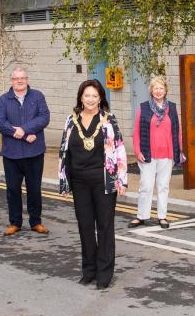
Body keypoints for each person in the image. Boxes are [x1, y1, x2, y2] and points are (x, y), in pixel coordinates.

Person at [58, 79, 127, 289]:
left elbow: (119, 149)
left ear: (100, 99)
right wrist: (64, 182)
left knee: (105, 227)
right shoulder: (71, 120)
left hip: (103, 181)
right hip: (79, 182)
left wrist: (121, 180)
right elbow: (64, 152)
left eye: (94, 96)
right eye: (87, 95)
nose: (90, 100)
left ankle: (104, 274)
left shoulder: (109, 119)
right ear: (81, 97)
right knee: (85, 226)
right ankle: (89, 271)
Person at [0, 67, 51, 236]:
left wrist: (24, 129)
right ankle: (15, 222)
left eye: (22, 78)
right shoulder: (3, 100)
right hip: (11, 154)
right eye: (16, 78)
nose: (19, 81)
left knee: (34, 188)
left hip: (34, 152)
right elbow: (1, 123)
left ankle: (36, 222)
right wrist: (22, 135)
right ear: (11, 81)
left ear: (27, 79)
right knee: (13, 189)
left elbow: (44, 117)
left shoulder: (37, 96)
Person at [130, 76, 182, 229]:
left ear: (165, 90)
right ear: (151, 91)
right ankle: (142, 216)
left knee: (163, 186)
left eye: (161, 88)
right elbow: (136, 131)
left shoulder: (171, 107)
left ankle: (162, 216)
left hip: (167, 154)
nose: (158, 91)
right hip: (147, 153)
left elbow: (177, 131)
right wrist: (137, 150)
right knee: (145, 186)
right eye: (155, 88)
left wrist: (178, 151)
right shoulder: (143, 107)